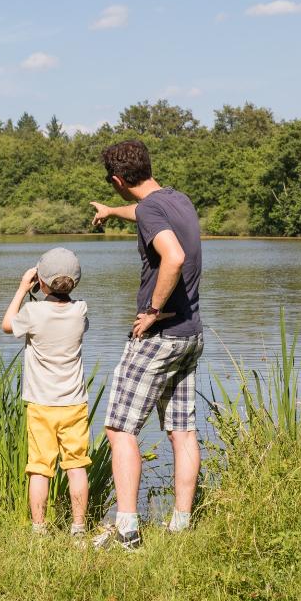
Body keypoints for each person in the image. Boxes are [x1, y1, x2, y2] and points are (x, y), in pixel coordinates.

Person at [90, 139, 204, 549]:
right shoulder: (175, 200)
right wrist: (110, 211)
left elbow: (171, 257)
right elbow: (141, 210)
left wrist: (153, 310)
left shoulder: (153, 211)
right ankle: (181, 524)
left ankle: (126, 530)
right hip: (191, 334)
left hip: (158, 336)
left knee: (119, 429)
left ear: (119, 180)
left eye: (112, 188)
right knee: (183, 430)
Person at [2, 247, 91, 538]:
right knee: (76, 466)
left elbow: (6, 325)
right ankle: (78, 529)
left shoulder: (32, 312)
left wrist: (20, 289)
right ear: (75, 281)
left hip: (42, 405)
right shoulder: (81, 311)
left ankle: (39, 530)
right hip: (74, 404)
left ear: (40, 282)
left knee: (39, 468)